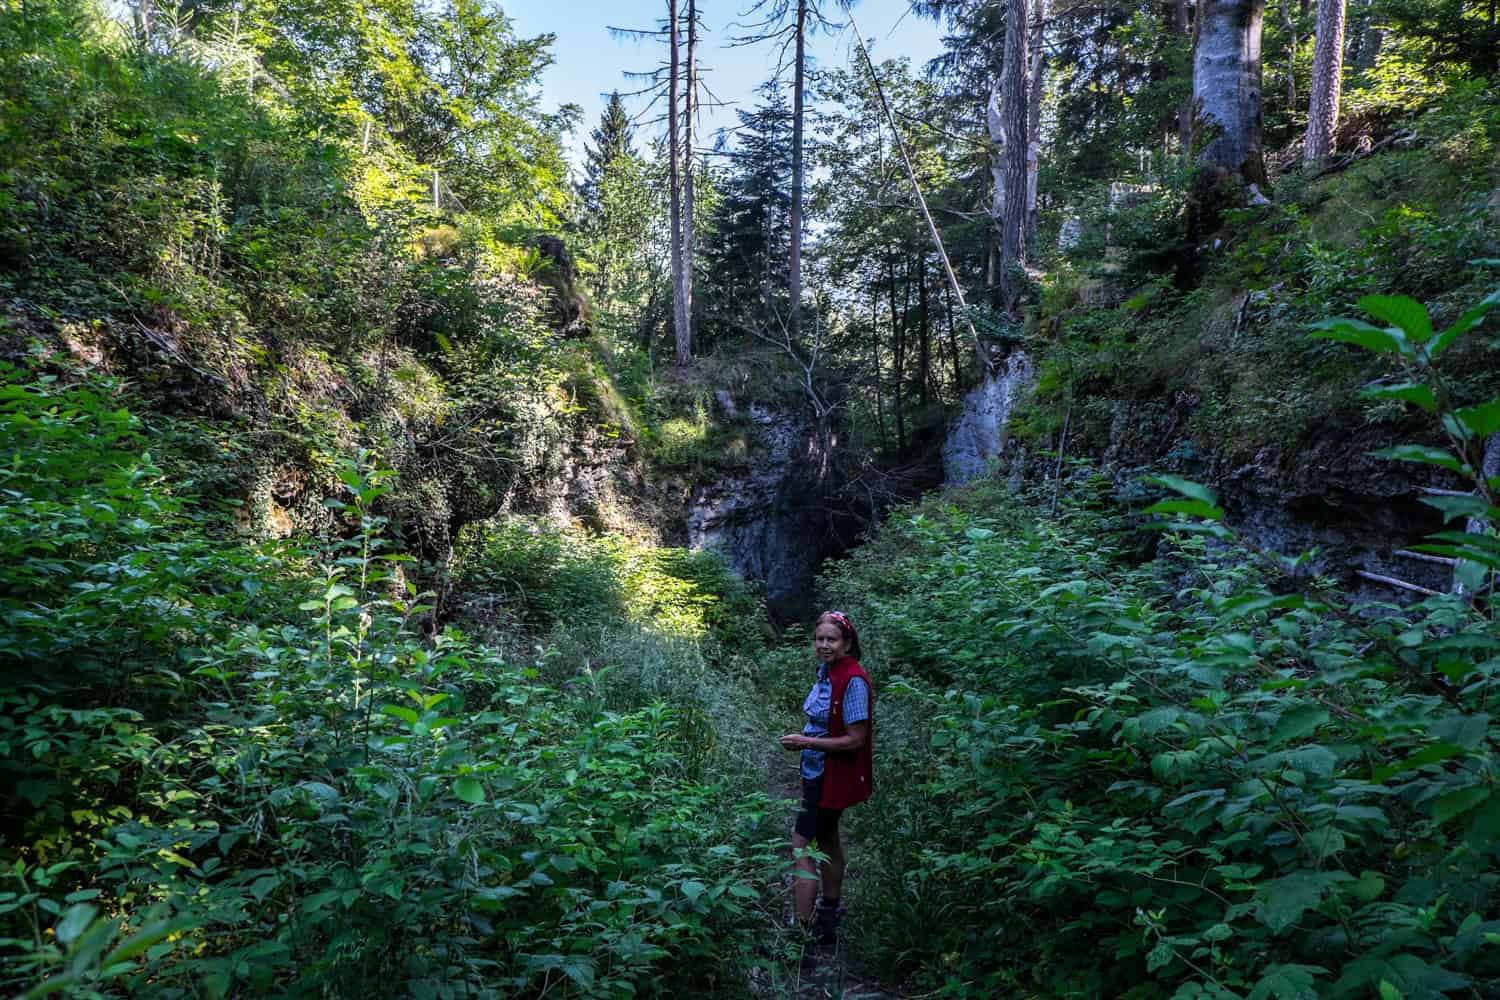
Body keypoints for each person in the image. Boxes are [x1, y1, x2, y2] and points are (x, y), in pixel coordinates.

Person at [778, 610, 873, 949]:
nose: (824, 644)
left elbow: (856, 739)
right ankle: (829, 917)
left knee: (802, 845)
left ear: (847, 643)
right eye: (819, 639)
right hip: (818, 772)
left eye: (831, 639)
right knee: (829, 839)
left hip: (829, 776)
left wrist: (806, 742)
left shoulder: (853, 680)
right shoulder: (828, 672)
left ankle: (799, 934)